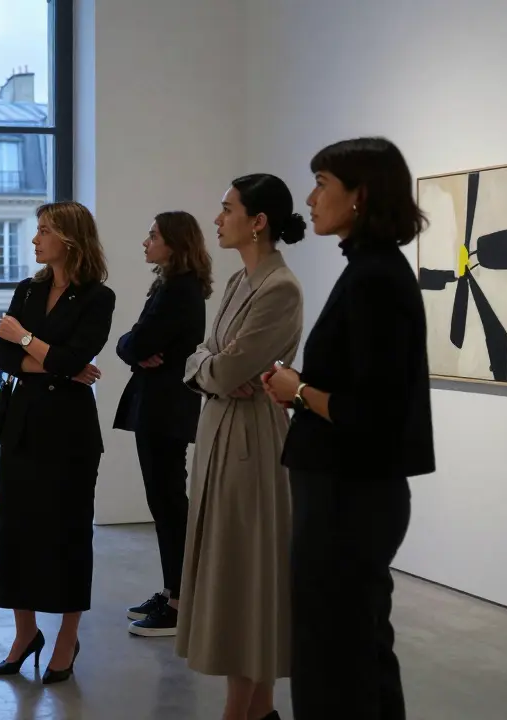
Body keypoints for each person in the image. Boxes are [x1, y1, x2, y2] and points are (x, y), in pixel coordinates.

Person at [263, 137, 435, 720]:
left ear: (360, 194)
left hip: (348, 494)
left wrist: (299, 391)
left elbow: (373, 412)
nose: (310, 199)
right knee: (357, 650)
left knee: (333, 656)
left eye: (321, 185)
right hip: (349, 490)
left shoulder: (374, 279)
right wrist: (301, 389)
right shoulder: (371, 272)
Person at [176, 174, 306, 720]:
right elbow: (204, 356)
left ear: (258, 221)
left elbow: (226, 369)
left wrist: (210, 365)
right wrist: (211, 365)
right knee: (234, 571)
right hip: (220, 431)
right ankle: (259, 709)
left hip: (252, 440)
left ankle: (243, 709)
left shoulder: (280, 288)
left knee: (248, 572)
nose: (217, 218)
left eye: (227, 208)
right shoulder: (237, 281)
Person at [0, 201, 116, 685]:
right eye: (37, 230)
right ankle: (25, 634)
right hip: (23, 425)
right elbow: (5, 358)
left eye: (45, 231)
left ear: (70, 239)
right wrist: (53, 361)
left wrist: (25, 339)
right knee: (16, 532)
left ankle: (66, 638)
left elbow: (72, 357)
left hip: (69, 431)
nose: (35, 239)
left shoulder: (97, 297)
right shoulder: (28, 289)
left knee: (68, 534)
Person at [113, 211, 213, 637]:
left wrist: (133, 347)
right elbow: (132, 343)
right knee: (165, 501)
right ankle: (175, 590)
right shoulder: (171, 286)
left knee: (168, 503)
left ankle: (180, 601)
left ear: (174, 242)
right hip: (160, 406)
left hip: (165, 408)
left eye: (153, 235)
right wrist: (133, 347)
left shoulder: (179, 290)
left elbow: (137, 341)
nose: (145, 242)